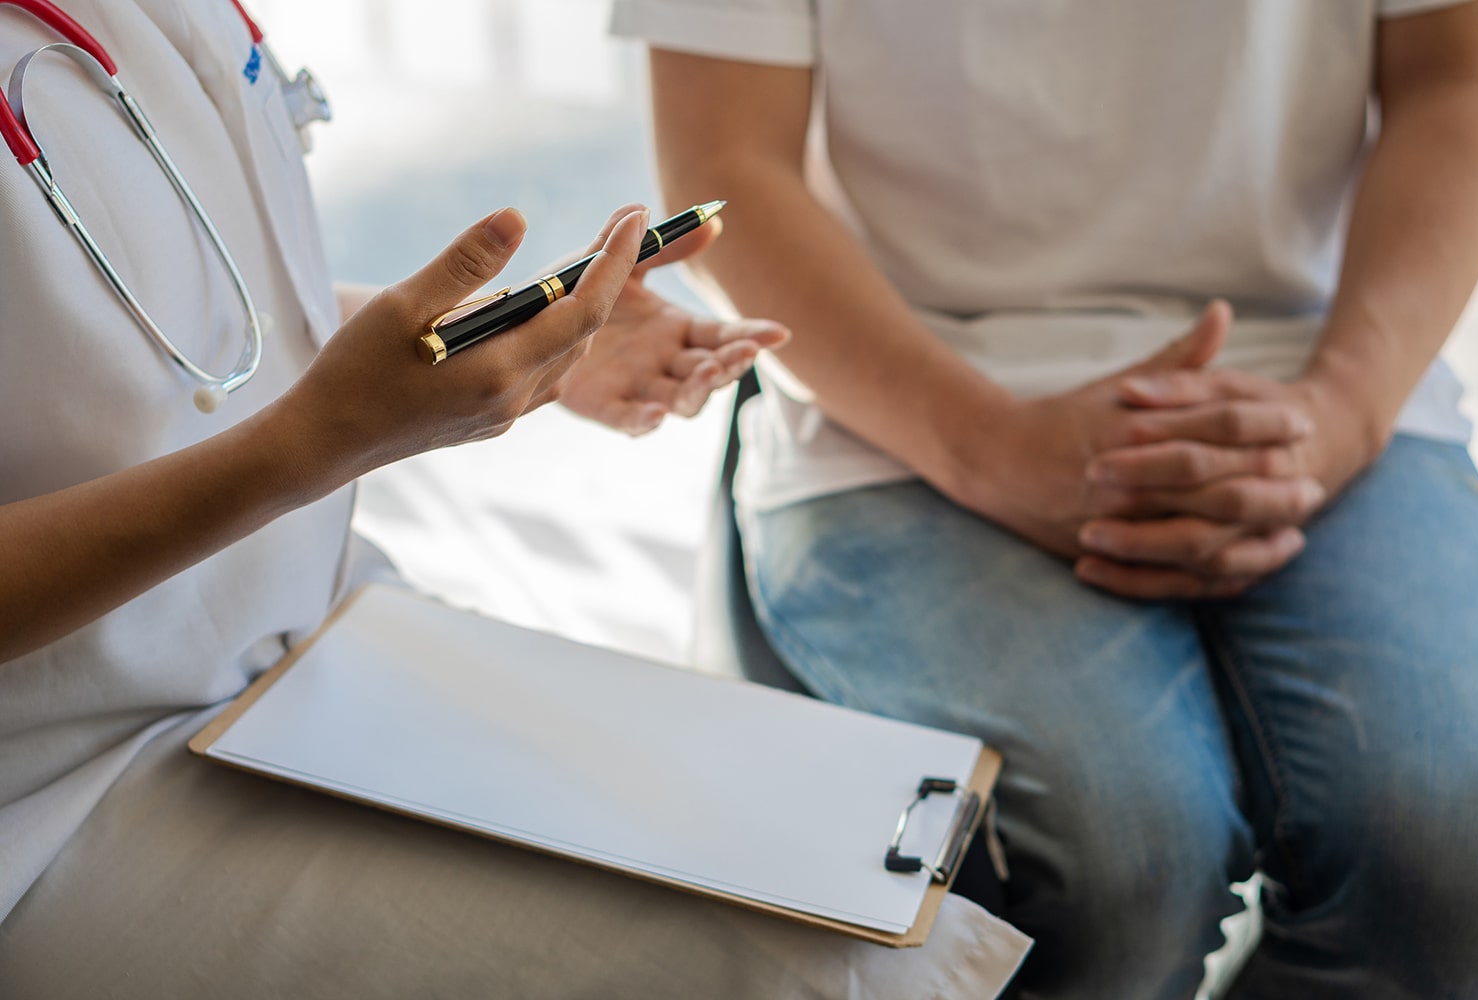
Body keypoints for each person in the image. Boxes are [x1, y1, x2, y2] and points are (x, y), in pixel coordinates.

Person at [0, 1, 1033, 996]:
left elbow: (181, 328)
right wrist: (316, 442)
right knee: (858, 966)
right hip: (60, 792)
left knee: (887, 871)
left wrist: (484, 349)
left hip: (308, 636)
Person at [614, 0, 1478, 996]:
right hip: (901, 391)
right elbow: (725, 158)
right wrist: (987, 447)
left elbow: (1458, 77)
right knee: (1116, 864)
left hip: (1314, 366)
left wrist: (1345, 410)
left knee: (1462, 851)